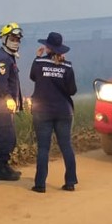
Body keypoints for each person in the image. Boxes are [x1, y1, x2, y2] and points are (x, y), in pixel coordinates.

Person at [29, 32, 78, 193]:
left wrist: (37, 58)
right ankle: (70, 182)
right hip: (63, 111)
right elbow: (72, 90)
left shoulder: (39, 63)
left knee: (43, 148)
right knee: (66, 146)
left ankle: (40, 184)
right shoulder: (67, 66)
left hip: (42, 111)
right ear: (61, 50)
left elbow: (33, 77)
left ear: (48, 47)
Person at [0, 22, 25, 181]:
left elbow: (13, 83)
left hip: (6, 107)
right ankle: (1, 170)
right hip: (1, 106)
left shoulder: (9, 57)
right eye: (13, 37)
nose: (16, 41)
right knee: (4, 137)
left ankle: (5, 166)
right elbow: (1, 83)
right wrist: (9, 98)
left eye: (18, 38)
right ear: (4, 38)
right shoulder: (2, 59)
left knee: (9, 137)